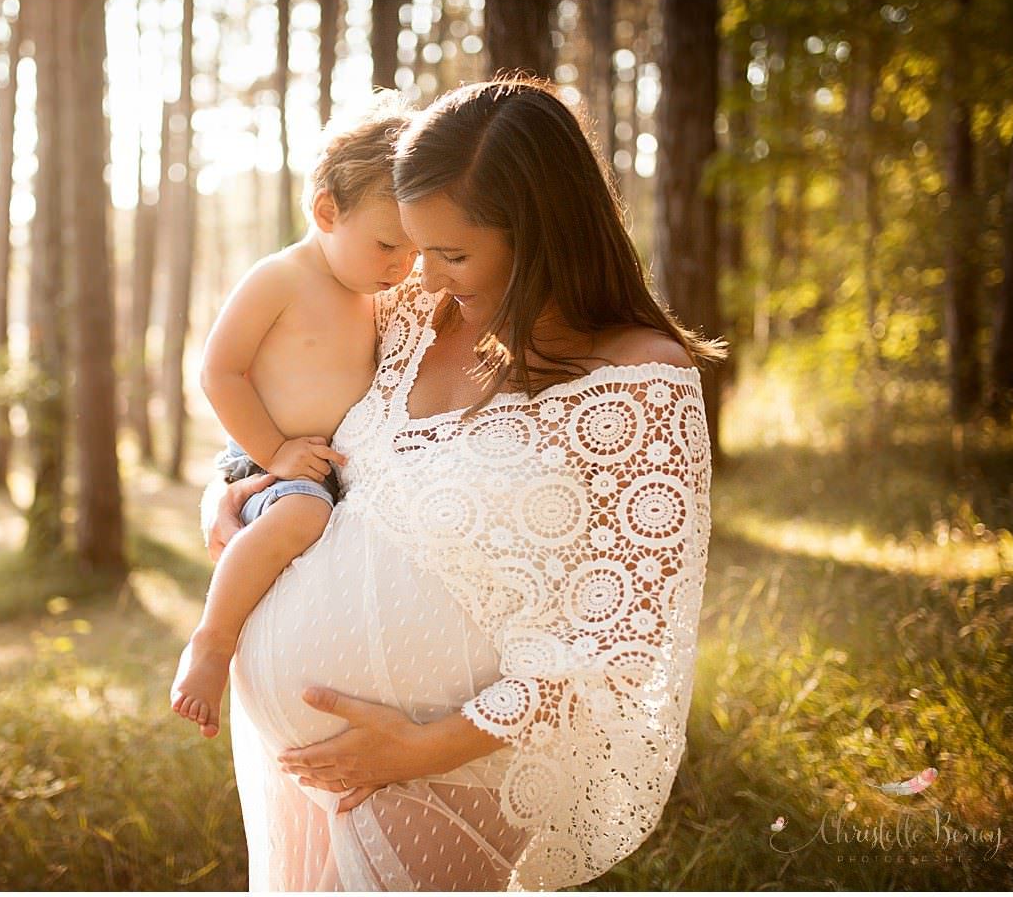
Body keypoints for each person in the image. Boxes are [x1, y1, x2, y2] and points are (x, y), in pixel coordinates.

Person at [203, 77, 728, 891]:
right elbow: (287, 393)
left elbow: (622, 644)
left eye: (451, 253)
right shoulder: (409, 314)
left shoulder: (638, 384)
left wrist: (424, 745)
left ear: (545, 234)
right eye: (414, 247)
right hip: (294, 758)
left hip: (453, 767)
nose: (427, 276)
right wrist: (231, 487)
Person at [170, 98, 418, 739]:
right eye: (388, 245)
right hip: (266, 460)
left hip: (318, 465)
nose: (401, 266)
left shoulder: (369, 290)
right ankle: (211, 642)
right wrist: (274, 450)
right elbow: (219, 371)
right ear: (326, 212)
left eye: (414, 250)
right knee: (303, 516)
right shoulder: (279, 278)